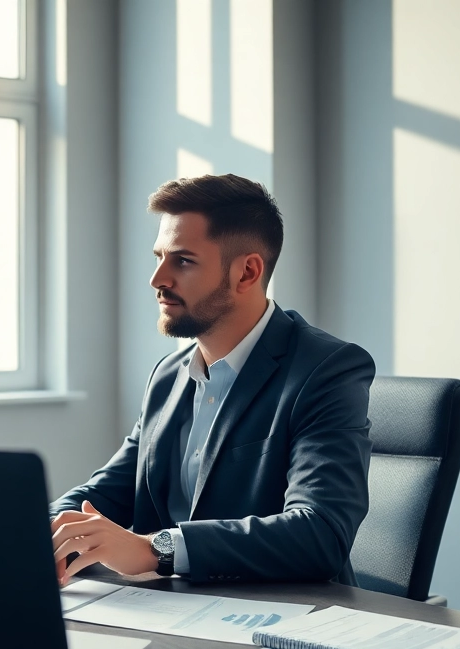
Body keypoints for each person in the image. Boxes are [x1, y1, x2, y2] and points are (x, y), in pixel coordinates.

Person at [51, 173, 375, 585]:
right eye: (159, 257)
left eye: (182, 261)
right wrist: (43, 531)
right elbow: (107, 492)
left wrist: (156, 550)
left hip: (282, 619)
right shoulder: (169, 376)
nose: (158, 280)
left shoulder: (328, 370)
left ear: (246, 273)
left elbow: (320, 533)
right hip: (171, 611)